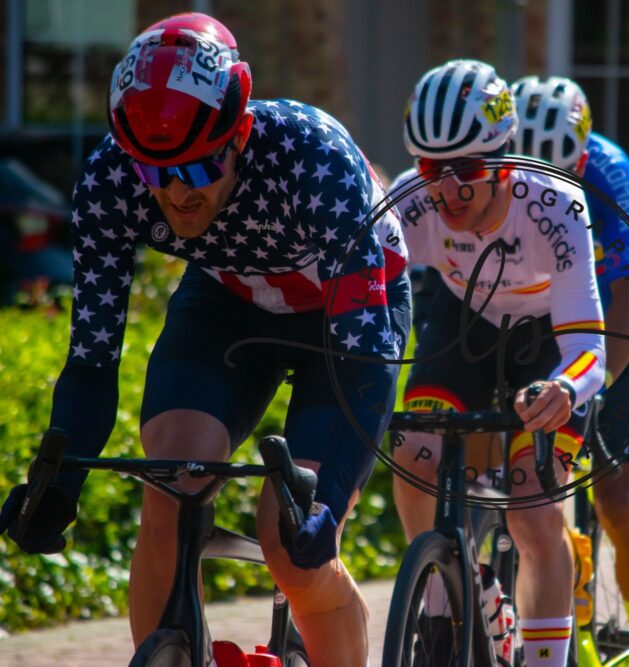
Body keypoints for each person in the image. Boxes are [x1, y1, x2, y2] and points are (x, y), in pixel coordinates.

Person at [0, 13, 409, 666]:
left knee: (289, 540)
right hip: (229, 297)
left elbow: (365, 357)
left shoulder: (312, 158)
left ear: (239, 134)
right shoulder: (111, 181)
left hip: (344, 315)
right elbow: (92, 358)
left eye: (197, 168)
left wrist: (328, 505)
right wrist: (60, 482)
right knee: (170, 483)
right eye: (154, 172)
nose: (175, 192)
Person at [390, 59, 606, 667]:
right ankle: (440, 611)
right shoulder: (409, 205)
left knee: (534, 511)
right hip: (463, 323)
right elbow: (357, 306)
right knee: (413, 454)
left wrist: (565, 389)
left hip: (545, 340)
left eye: (465, 170)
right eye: (430, 168)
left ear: (504, 162)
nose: (446, 189)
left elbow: (588, 347)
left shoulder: (556, 206)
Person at [510, 75, 629, 665]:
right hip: (536, 325)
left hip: (615, 326)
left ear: (580, 157)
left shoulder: (608, 170)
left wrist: (596, 382)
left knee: (621, 505)